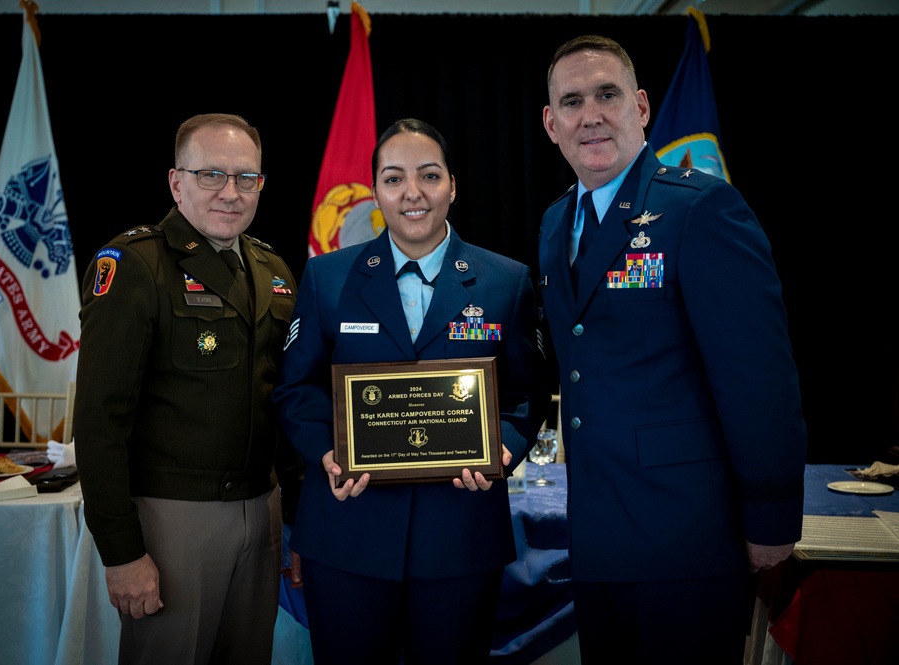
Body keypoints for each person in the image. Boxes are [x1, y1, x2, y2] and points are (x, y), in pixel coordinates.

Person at [537, 35, 807, 664]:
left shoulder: (702, 208)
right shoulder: (555, 223)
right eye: (571, 102)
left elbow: (758, 377)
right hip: (598, 534)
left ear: (642, 106)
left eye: (608, 95)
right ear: (551, 125)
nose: (591, 115)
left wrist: (770, 517)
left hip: (685, 536)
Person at [272, 118, 547, 664]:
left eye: (429, 175)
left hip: (460, 536)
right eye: (394, 179)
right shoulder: (328, 278)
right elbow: (296, 387)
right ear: (375, 191)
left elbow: (527, 391)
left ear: (452, 186)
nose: (413, 193)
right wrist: (328, 452)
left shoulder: (504, 280)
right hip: (349, 534)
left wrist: (503, 449)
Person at [73, 113, 300, 665]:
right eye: (211, 175)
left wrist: (297, 519)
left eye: (247, 178)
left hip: (262, 514)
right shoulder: (135, 265)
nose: (231, 192)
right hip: (172, 523)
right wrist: (122, 552)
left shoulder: (274, 269)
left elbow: (287, 404)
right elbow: (99, 421)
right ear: (176, 182)